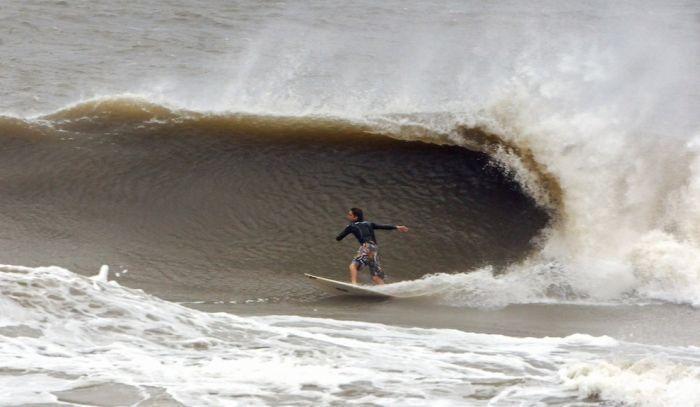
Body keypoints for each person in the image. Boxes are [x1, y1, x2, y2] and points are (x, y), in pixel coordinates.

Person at [335, 207, 409, 285]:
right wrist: (397, 227)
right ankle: (385, 290)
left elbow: (339, 238)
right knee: (375, 277)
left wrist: (343, 233)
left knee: (353, 266)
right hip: (374, 249)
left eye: (350, 215)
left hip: (367, 247)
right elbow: (383, 226)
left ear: (355, 217)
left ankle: (354, 284)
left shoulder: (351, 226)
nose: (348, 216)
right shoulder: (369, 223)